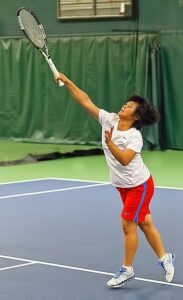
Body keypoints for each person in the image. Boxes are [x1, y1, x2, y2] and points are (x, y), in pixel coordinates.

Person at [56, 72, 175, 288]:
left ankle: (127, 269)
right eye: (126, 103)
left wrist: (110, 143)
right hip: (123, 186)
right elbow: (85, 101)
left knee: (127, 224)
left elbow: (125, 161)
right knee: (145, 223)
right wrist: (67, 82)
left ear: (136, 116)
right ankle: (165, 258)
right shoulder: (109, 119)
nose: (124, 106)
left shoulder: (134, 137)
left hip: (139, 185)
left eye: (130, 106)